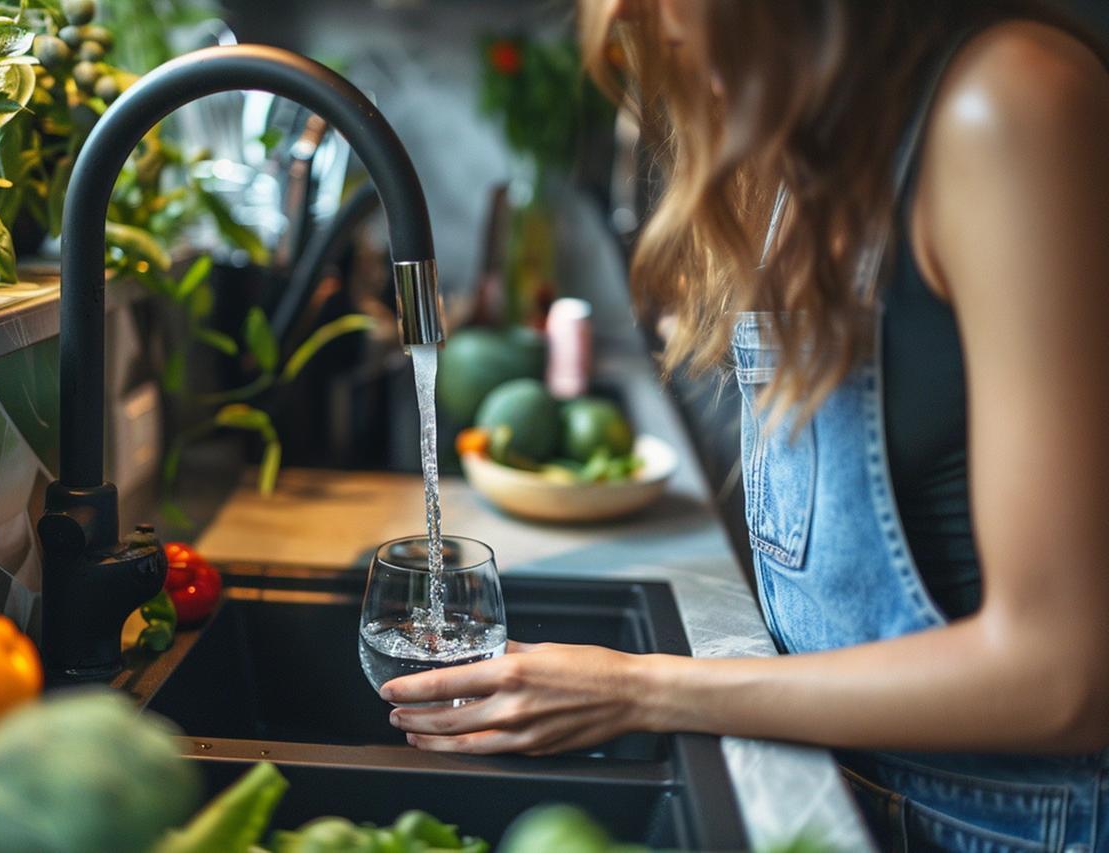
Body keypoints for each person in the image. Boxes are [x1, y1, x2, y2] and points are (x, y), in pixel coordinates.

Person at [383, 2, 1109, 849]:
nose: (660, 24)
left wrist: (644, 688)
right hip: (839, 798)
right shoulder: (822, 147)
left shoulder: (1012, 103)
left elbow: (1066, 675)